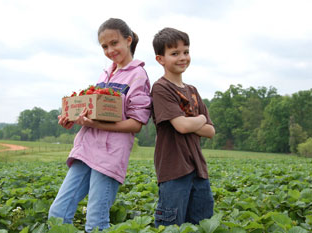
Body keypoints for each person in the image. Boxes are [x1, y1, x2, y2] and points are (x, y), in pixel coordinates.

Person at [48, 18, 151, 232]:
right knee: (57, 214)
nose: (110, 50)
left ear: (128, 40)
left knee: (95, 223)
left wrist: (96, 124)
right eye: (105, 46)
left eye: (114, 43)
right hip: (86, 150)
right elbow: (96, 112)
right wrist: (73, 118)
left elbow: (136, 124)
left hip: (109, 155)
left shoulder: (137, 75)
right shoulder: (105, 75)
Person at [151, 27, 215, 227]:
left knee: (202, 224)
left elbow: (211, 131)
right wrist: (201, 118)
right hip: (173, 170)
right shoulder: (161, 88)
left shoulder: (193, 91)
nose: (182, 57)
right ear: (160, 59)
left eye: (185, 52)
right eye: (175, 53)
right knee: (171, 227)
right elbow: (181, 126)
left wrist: (193, 121)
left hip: (199, 170)